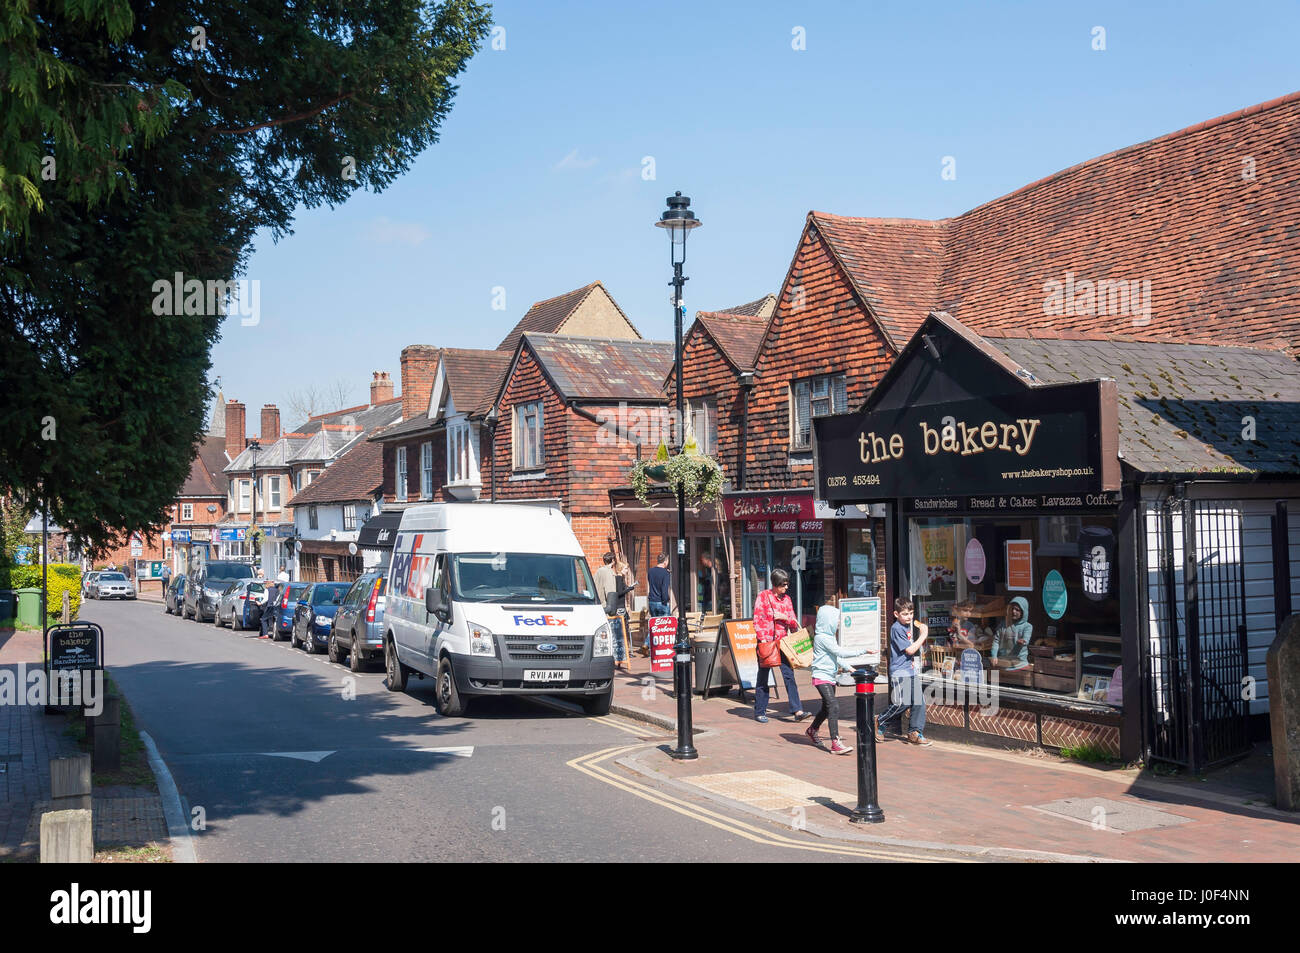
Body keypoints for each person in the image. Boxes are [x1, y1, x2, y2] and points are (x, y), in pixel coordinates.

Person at [752, 568, 808, 723]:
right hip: (767, 642)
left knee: (789, 675)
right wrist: (762, 639)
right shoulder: (763, 597)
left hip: (783, 642)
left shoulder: (787, 599)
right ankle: (760, 711)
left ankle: (797, 710)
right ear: (775, 585)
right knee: (763, 676)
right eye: (783, 585)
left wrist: (785, 617)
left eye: (787, 584)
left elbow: (794, 622)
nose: (786, 587)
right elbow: (757, 619)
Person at [875, 597, 932, 746]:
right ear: (896, 614)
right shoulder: (897, 629)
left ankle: (915, 732)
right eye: (905, 614)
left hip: (910, 670)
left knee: (919, 702)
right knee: (903, 703)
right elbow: (910, 650)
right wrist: (924, 635)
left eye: (911, 613)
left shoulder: (907, 626)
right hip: (900, 671)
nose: (909, 617)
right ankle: (881, 720)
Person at [805, 603, 859, 754]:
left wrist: (850, 668)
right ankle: (835, 743)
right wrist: (862, 651)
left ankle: (812, 730)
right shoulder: (822, 638)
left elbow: (835, 657)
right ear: (828, 621)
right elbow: (840, 652)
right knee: (833, 706)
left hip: (830, 676)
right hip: (821, 676)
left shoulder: (829, 637)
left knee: (825, 708)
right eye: (837, 620)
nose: (839, 622)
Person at [594, 552, 632, 667]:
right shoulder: (609, 573)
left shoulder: (598, 572)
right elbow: (611, 593)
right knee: (612, 635)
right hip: (607, 607)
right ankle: (612, 658)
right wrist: (611, 608)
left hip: (597, 606)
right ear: (613, 562)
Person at [991, 596, 1033, 668]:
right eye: (1012, 609)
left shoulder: (1027, 626)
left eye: (1017, 610)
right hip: (1002, 662)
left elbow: (1026, 638)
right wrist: (994, 656)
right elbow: (996, 641)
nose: (1013, 611)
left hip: (1019, 664)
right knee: (995, 677)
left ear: (1023, 612)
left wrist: (1023, 641)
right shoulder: (1003, 624)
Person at [647, 552, 672, 617]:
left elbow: (651, 584)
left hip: (652, 602)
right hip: (661, 603)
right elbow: (664, 589)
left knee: (655, 625)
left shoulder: (650, 571)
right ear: (665, 562)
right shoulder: (666, 573)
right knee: (664, 625)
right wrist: (665, 601)